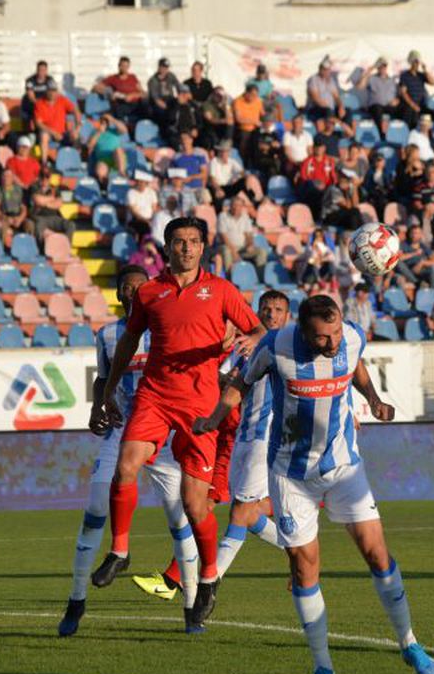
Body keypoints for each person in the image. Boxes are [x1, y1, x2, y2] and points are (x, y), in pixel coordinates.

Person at [193, 295, 434, 674]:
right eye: (324, 338)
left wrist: (374, 400)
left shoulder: (351, 338)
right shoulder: (276, 345)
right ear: (305, 333)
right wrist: (214, 417)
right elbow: (242, 381)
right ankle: (323, 669)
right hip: (290, 476)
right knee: (305, 569)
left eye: (337, 332)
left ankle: (410, 643)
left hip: (344, 467)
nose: (333, 343)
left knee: (378, 554)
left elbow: (356, 367)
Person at [99, 217, 265, 632]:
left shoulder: (222, 290)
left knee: (195, 505)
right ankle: (120, 551)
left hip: (200, 403)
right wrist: (109, 388)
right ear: (167, 247)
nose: (186, 248)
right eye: (179, 241)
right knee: (126, 465)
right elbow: (128, 342)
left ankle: (208, 579)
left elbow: (258, 328)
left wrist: (251, 338)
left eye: (193, 241)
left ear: (204, 247)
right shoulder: (150, 292)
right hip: (155, 395)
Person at [59, 265, 194, 634]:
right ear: (118, 294)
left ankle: (191, 606)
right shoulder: (107, 335)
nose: (132, 292)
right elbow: (103, 377)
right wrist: (96, 407)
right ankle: (76, 600)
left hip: (162, 433)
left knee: (180, 517)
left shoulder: (167, 329)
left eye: (139, 287)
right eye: (126, 287)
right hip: (121, 433)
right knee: (94, 510)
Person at [196, 292, 291, 586]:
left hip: (268, 439)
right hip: (245, 437)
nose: (271, 315)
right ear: (256, 312)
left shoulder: (291, 348)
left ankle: (208, 585)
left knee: (240, 512)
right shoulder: (246, 346)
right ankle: (299, 551)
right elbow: (225, 382)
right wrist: (229, 373)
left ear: (287, 316)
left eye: (278, 310)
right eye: (266, 309)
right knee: (249, 515)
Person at [217, 193, 268, 273]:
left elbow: (248, 234)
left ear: (242, 207)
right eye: (235, 205)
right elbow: (223, 237)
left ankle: (260, 278)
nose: (237, 207)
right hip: (227, 246)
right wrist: (233, 252)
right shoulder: (223, 216)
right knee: (226, 251)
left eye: (239, 205)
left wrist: (250, 244)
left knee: (261, 252)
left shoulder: (245, 216)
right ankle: (230, 278)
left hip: (242, 247)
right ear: (230, 206)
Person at [94, 56, 145, 124]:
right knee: (117, 109)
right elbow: (96, 87)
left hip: (135, 104)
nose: (124, 68)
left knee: (146, 107)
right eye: (123, 66)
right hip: (122, 103)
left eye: (126, 66)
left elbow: (143, 93)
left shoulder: (133, 77)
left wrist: (133, 95)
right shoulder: (113, 78)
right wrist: (109, 94)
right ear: (119, 66)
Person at [33, 81, 79, 156]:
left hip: (62, 133)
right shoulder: (40, 103)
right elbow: (38, 123)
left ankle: (75, 160)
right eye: (50, 90)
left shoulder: (62, 100)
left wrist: (77, 128)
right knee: (44, 136)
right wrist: (53, 133)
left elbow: (76, 110)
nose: (52, 93)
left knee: (75, 135)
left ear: (57, 92)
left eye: (54, 90)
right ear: (46, 91)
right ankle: (44, 164)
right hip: (48, 133)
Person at [27, 174, 76, 241]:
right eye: (43, 177)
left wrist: (45, 204)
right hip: (40, 216)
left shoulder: (54, 189)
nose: (45, 179)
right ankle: (42, 250)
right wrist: (52, 198)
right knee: (39, 228)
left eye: (47, 177)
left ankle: (65, 245)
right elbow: (38, 200)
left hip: (55, 217)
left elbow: (59, 204)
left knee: (71, 225)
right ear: (39, 178)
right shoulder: (34, 187)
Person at [398, 50, 434, 128]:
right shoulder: (404, 75)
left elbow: (433, 82)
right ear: (411, 62)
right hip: (409, 104)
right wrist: (413, 105)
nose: (417, 64)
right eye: (415, 62)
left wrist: (425, 70)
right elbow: (403, 93)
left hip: (421, 104)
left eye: (418, 62)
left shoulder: (421, 75)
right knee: (412, 115)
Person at [366, 57, 401, 128]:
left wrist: (397, 100)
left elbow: (399, 94)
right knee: (377, 109)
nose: (382, 68)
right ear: (377, 68)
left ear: (386, 67)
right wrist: (368, 72)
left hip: (389, 106)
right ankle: (382, 133)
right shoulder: (372, 78)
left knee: (403, 109)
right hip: (376, 106)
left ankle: (402, 133)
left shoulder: (392, 80)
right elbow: (360, 86)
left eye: (384, 66)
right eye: (380, 66)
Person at [306, 57, 344, 121]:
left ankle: (348, 130)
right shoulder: (313, 79)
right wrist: (329, 108)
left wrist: (341, 106)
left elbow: (336, 96)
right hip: (317, 109)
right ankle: (330, 128)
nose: (326, 71)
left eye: (328, 70)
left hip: (330, 109)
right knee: (328, 112)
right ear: (320, 69)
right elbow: (315, 98)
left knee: (347, 112)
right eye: (324, 69)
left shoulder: (331, 80)